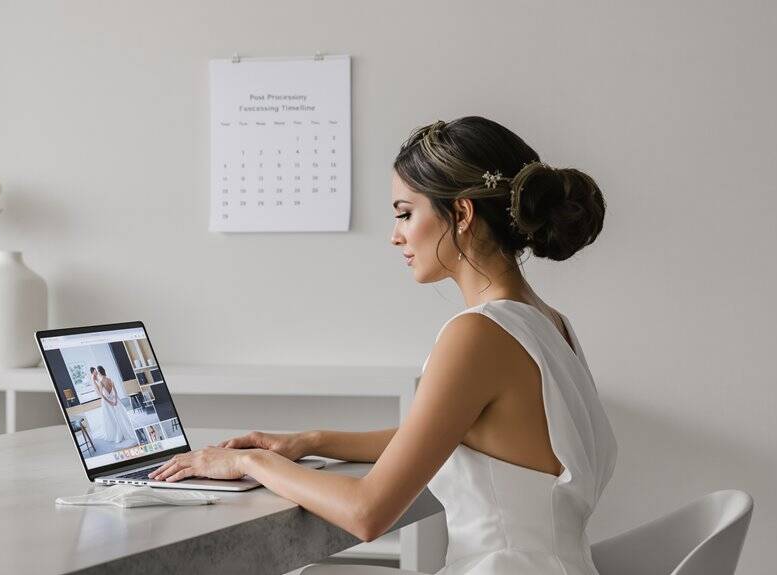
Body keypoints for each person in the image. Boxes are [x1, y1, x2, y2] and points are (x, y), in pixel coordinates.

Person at [148, 117, 618, 574]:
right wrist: (311, 441)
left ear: (461, 213)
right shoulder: (550, 325)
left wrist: (249, 461)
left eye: (405, 214)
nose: (396, 236)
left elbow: (367, 512)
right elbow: (442, 436)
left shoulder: (479, 334)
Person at [91, 365, 136, 444]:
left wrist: (111, 402)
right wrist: (115, 400)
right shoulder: (110, 380)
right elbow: (115, 392)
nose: (97, 374)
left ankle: (116, 433)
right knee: (120, 416)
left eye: (97, 372)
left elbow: (102, 396)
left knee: (111, 418)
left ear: (99, 373)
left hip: (108, 403)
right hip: (116, 401)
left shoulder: (101, 382)